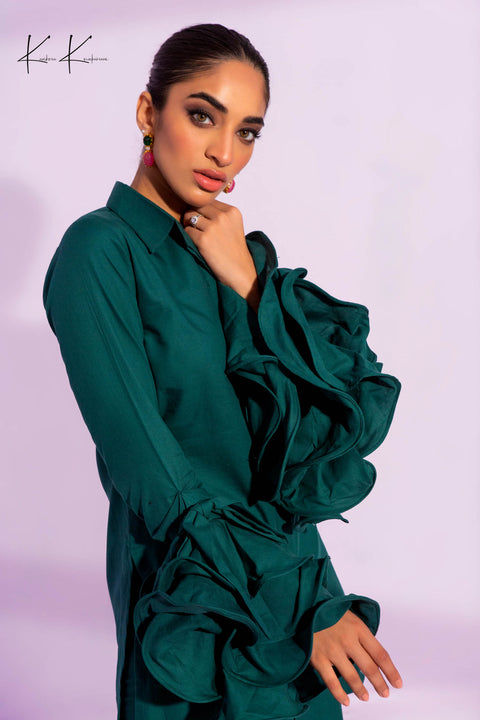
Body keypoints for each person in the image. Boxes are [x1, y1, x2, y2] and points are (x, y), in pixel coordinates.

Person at [42, 23, 403, 720]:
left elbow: (340, 411)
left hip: (299, 595)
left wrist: (252, 283)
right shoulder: (99, 252)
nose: (225, 152)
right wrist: (299, 604)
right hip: (193, 601)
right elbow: (156, 479)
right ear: (149, 113)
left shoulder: (232, 257)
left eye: (247, 132)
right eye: (203, 116)